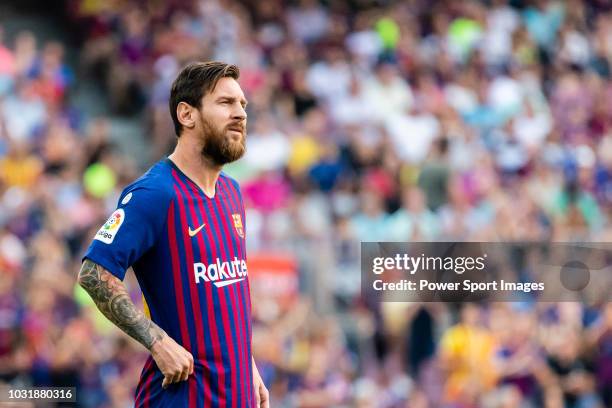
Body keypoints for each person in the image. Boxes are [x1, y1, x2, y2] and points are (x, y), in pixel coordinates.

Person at [78, 61, 269, 407]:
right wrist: (157, 341)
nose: (240, 113)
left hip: (237, 394)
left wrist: (246, 365)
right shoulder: (156, 193)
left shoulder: (232, 193)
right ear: (187, 114)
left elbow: (223, 296)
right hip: (182, 398)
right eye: (226, 103)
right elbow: (94, 273)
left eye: (243, 104)